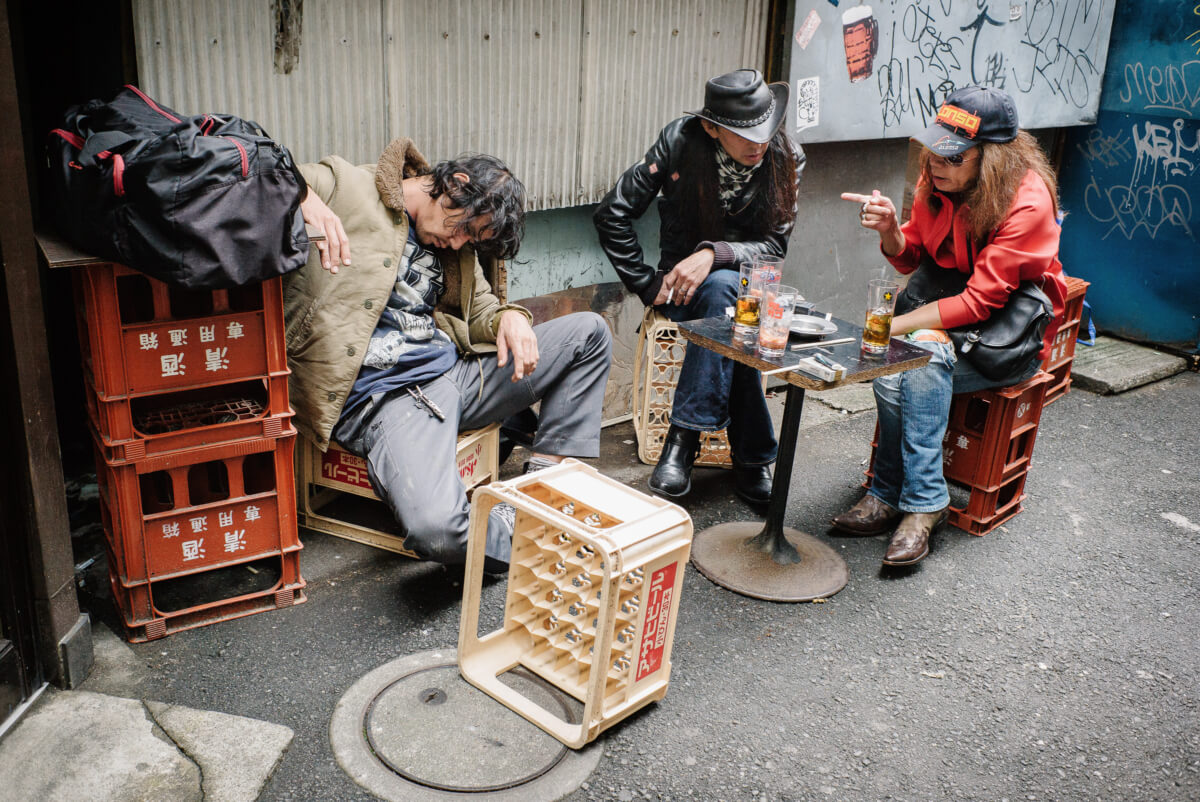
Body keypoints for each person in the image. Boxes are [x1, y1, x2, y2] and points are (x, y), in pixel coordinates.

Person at [287, 138, 613, 569]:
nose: (459, 244)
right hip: (391, 400)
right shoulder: (345, 186)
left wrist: (510, 318)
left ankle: (539, 489)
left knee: (588, 332)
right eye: (462, 229)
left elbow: (480, 308)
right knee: (437, 531)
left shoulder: (452, 247)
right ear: (454, 185)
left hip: (456, 376)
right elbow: (260, 166)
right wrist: (303, 197)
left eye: (471, 239)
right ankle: (524, 537)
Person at [834, 85, 1067, 567]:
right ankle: (910, 498)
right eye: (933, 149)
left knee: (915, 358)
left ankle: (910, 501)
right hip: (943, 305)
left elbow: (980, 302)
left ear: (992, 159)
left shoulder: (1026, 202)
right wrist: (889, 230)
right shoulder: (936, 182)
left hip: (1005, 334)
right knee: (898, 359)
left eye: (952, 156)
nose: (936, 164)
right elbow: (913, 258)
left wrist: (891, 326)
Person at [594, 69, 805, 503]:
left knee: (726, 287)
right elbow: (612, 213)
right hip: (682, 293)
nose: (758, 143)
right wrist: (647, 284)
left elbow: (774, 247)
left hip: (749, 288)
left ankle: (683, 439)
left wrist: (713, 253)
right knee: (726, 307)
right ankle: (754, 456)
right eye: (744, 134)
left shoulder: (787, 157)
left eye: (765, 130)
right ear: (711, 128)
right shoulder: (680, 142)